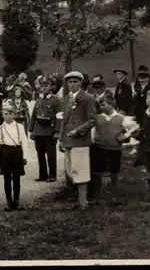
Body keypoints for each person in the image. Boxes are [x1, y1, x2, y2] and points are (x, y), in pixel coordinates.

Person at [58, 71, 97, 210]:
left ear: (81, 83)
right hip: (68, 140)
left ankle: (83, 202)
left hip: (80, 140)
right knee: (71, 171)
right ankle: (76, 199)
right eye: (70, 82)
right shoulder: (67, 99)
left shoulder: (87, 98)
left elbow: (93, 120)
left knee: (81, 171)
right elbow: (64, 120)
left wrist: (79, 130)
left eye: (75, 82)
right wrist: (61, 139)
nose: (72, 84)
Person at [90, 97, 130, 205]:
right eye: (100, 106)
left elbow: (133, 129)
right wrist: (93, 139)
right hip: (100, 147)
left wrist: (124, 136)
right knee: (97, 172)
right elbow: (92, 130)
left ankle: (114, 196)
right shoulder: (98, 118)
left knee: (114, 172)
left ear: (111, 105)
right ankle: (97, 197)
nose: (101, 108)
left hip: (114, 148)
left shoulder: (121, 118)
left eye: (103, 105)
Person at [0, 104, 30, 211]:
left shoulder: (19, 127)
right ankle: (8, 202)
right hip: (5, 153)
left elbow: (24, 142)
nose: (8, 116)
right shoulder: (0, 128)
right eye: (5, 114)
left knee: (16, 179)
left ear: (14, 114)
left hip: (17, 153)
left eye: (10, 114)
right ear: (2, 115)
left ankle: (16, 201)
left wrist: (24, 157)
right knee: (7, 179)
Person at [28, 77, 61, 183]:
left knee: (51, 154)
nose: (44, 88)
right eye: (42, 86)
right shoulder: (39, 100)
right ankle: (43, 175)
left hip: (49, 131)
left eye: (46, 86)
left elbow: (59, 116)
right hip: (38, 131)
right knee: (40, 154)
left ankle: (52, 175)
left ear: (51, 87)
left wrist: (57, 131)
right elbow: (33, 116)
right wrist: (31, 130)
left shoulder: (56, 100)